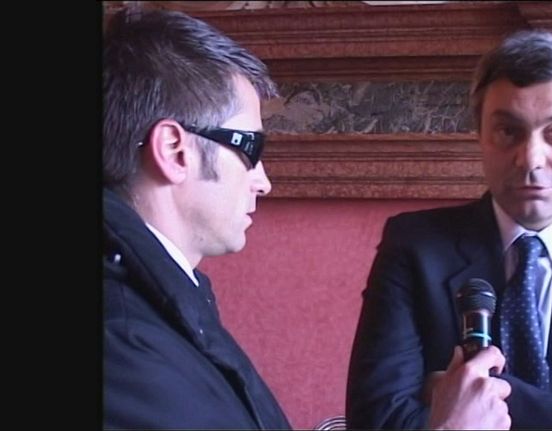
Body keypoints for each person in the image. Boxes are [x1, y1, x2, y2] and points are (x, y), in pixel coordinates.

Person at [103, 8, 512, 430]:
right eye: (250, 149)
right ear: (175, 151)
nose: (263, 182)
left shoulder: (159, 301)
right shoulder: (124, 347)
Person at [346, 29, 552, 429]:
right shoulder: (414, 247)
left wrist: (481, 394)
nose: (531, 159)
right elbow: (376, 420)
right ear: (480, 134)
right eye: (509, 131)